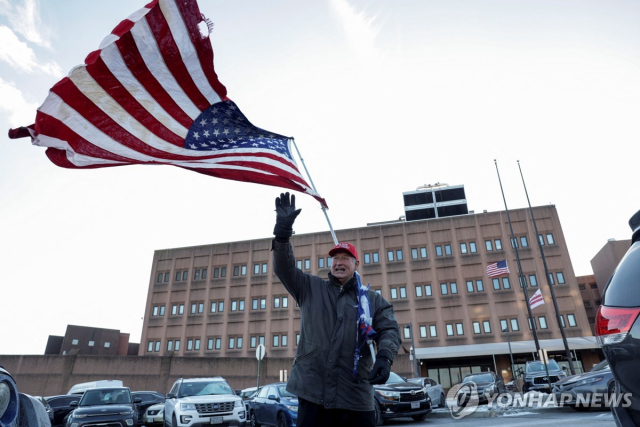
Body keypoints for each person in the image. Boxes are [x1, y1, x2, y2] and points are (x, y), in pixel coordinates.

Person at [271, 192, 401, 427]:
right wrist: (282, 235)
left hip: (355, 395)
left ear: (356, 264)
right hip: (313, 393)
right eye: (335, 258)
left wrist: (385, 357)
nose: (339, 262)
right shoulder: (310, 288)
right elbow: (284, 268)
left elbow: (390, 330)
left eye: (345, 258)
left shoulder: (372, 300)